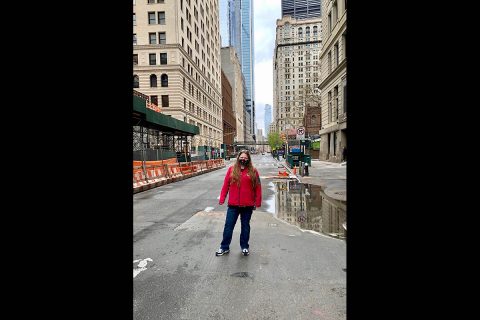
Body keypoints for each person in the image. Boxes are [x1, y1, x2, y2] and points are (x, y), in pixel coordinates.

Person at [216, 150, 262, 256]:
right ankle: (224, 247)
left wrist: (257, 201)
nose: (243, 159)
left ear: (249, 159)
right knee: (228, 226)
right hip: (233, 205)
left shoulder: (253, 171)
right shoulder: (231, 170)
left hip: (248, 205)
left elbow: (258, 187)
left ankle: (245, 247)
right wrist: (222, 198)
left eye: (245, 158)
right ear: (238, 158)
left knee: (245, 226)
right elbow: (225, 185)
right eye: (241, 157)